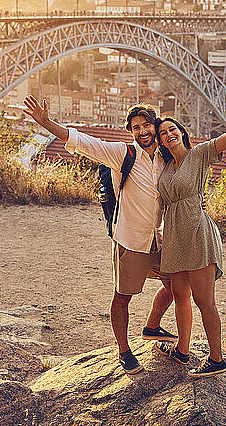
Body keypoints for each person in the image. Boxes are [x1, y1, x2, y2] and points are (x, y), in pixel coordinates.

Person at [23, 97, 177, 374]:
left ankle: (151, 327)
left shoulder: (167, 159)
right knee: (122, 297)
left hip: (161, 239)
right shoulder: (122, 154)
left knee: (176, 286)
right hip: (130, 238)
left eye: (146, 125)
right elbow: (83, 142)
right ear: (131, 132)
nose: (141, 131)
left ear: (155, 126)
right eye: (135, 128)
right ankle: (124, 350)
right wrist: (46, 123)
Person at [153, 73, 226, 378]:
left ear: (181, 132)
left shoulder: (200, 154)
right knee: (180, 299)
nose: (168, 135)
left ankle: (216, 360)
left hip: (198, 233)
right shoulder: (164, 167)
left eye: (171, 129)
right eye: (162, 133)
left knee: (206, 302)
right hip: (174, 238)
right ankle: (183, 351)